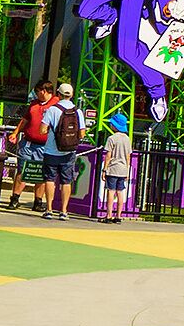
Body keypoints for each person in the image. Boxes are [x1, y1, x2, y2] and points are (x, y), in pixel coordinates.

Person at [34, 80, 85, 219]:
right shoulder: (78, 111)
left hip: (51, 150)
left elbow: (43, 130)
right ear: (72, 95)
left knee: (50, 179)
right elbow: (82, 133)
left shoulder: (52, 109)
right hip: (69, 152)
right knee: (66, 181)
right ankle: (64, 211)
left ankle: (49, 209)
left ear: (59, 94)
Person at [96, 110, 135, 221]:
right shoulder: (127, 139)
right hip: (123, 169)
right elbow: (128, 156)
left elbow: (108, 155)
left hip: (113, 168)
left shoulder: (111, 138)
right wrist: (127, 170)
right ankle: (118, 215)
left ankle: (109, 215)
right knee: (120, 191)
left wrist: (104, 169)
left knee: (111, 191)